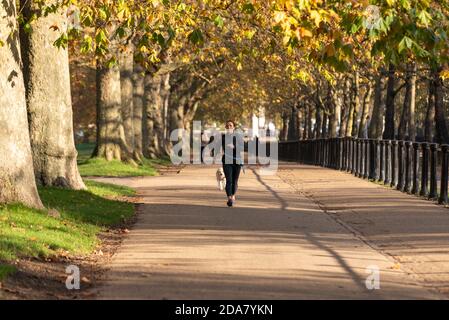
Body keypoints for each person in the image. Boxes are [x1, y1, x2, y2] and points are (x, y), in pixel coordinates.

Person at [222, 120, 243, 207]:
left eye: (231, 125)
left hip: (237, 161)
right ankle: (229, 198)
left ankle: (233, 195)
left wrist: (234, 147)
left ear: (234, 127)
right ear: (226, 128)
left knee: (235, 181)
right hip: (227, 161)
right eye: (227, 126)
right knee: (229, 180)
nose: (229, 127)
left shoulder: (238, 137)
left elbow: (242, 147)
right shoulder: (223, 137)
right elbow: (222, 146)